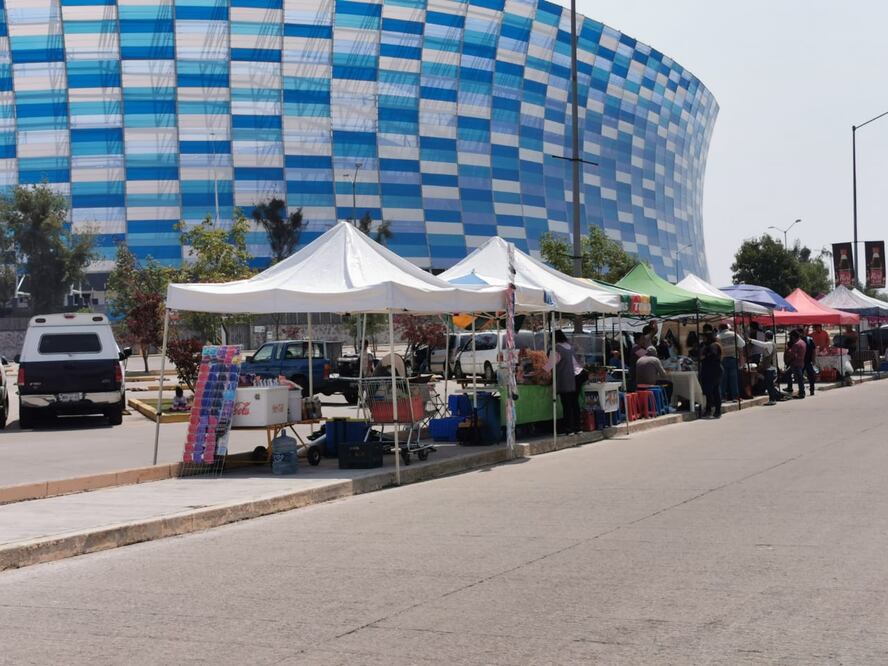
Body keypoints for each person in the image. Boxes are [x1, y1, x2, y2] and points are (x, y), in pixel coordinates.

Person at [552, 331, 582, 434]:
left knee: (567, 404)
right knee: (574, 403)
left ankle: (569, 428)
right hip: (576, 376)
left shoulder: (557, 348)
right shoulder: (570, 347)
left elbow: (550, 365)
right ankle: (578, 427)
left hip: (565, 378)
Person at [748, 331, 780, 405]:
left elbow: (762, 344)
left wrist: (751, 340)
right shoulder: (773, 343)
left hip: (770, 368)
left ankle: (772, 399)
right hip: (771, 367)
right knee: (769, 384)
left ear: (766, 336)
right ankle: (773, 398)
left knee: (769, 384)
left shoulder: (769, 344)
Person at [717, 323, 745, 401]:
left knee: (723, 379)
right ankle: (735, 397)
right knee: (734, 379)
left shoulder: (718, 337)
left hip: (723, 359)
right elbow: (742, 344)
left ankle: (722, 397)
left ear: (720, 329)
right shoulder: (734, 335)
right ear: (727, 328)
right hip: (733, 358)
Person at [700, 331, 723, 418]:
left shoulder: (713, 345)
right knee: (709, 391)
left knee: (714, 391)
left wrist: (704, 356)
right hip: (710, 370)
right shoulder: (708, 345)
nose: (703, 339)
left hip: (713, 370)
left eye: (704, 337)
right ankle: (710, 410)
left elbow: (713, 355)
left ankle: (716, 411)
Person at [786, 330, 808, 399]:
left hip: (795, 363)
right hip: (801, 362)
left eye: (791, 336)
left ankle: (801, 392)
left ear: (793, 336)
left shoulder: (796, 344)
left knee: (799, 379)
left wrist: (788, 362)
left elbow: (792, 355)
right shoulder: (803, 342)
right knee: (790, 374)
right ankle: (790, 388)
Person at [803, 328, 817, 396]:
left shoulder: (809, 340)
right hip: (801, 361)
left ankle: (812, 389)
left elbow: (814, 350)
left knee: (811, 376)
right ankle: (802, 390)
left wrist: (813, 359)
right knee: (800, 376)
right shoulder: (799, 340)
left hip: (808, 361)